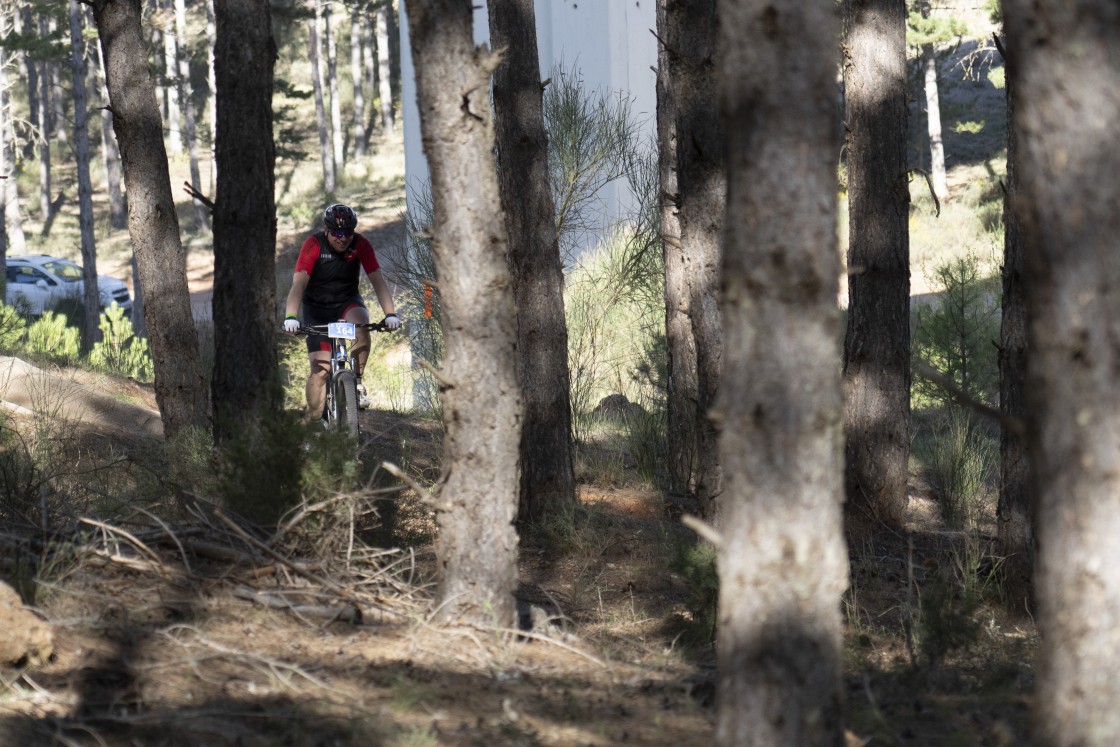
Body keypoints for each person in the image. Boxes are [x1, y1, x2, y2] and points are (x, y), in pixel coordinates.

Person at [283, 204, 401, 420]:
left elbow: (377, 281)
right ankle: (315, 421)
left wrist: (390, 314)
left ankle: (356, 382)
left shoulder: (360, 244)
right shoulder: (314, 245)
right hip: (316, 308)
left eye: (348, 232)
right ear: (326, 230)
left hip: (347, 301)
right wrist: (291, 317)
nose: (342, 238)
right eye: (337, 233)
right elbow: (298, 285)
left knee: (361, 327)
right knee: (321, 372)